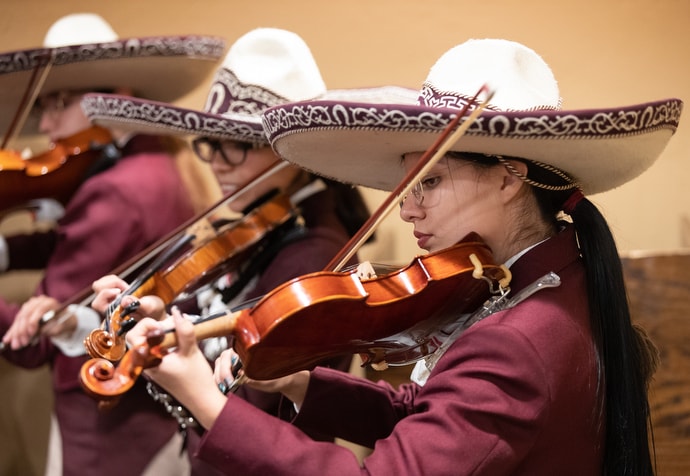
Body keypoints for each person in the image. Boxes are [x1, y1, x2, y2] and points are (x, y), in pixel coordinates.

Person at [105, 38, 683, 475]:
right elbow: (434, 410)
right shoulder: (553, 278)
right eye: (408, 189)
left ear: (510, 179)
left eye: (429, 183)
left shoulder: (520, 338)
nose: (408, 211)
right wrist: (305, 384)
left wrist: (208, 403)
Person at [85, 27, 416, 474]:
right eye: (211, 143)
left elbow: (247, 405)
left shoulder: (312, 258)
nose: (218, 161)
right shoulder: (257, 228)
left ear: (293, 153)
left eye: (239, 146)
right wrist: (158, 326)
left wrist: (172, 353)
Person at [0, 13, 225, 476]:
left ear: (114, 98)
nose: (46, 124)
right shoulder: (163, 154)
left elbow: (38, 338)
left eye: (59, 102)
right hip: (156, 411)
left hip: (107, 425)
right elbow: (87, 244)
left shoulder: (115, 190)